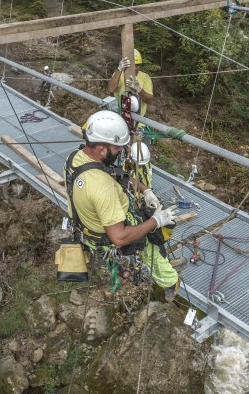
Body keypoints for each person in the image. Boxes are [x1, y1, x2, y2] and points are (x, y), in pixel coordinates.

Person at [64, 110, 182, 301]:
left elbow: (115, 172)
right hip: (110, 236)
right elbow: (119, 238)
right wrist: (155, 221)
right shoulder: (103, 188)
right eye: (117, 148)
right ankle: (169, 282)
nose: (120, 151)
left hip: (85, 225)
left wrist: (145, 190)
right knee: (153, 251)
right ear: (102, 148)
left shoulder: (75, 158)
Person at [107, 49, 153, 117]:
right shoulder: (119, 74)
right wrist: (119, 69)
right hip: (119, 114)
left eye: (137, 65)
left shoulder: (145, 77)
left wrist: (139, 89)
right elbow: (111, 89)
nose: (134, 68)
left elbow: (149, 101)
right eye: (132, 65)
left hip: (138, 118)